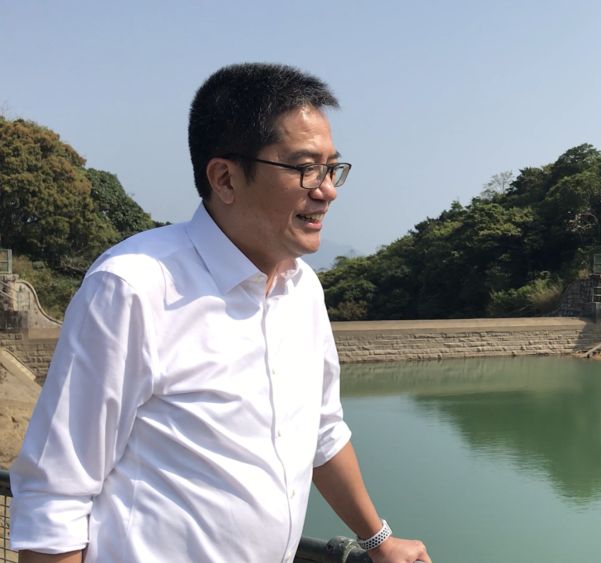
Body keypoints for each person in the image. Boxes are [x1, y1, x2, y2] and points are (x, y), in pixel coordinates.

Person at [11, 63, 431, 563]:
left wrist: (378, 540)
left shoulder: (303, 289)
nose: (327, 190)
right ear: (225, 177)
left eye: (330, 167)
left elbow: (323, 431)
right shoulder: (133, 288)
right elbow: (56, 494)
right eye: (304, 168)